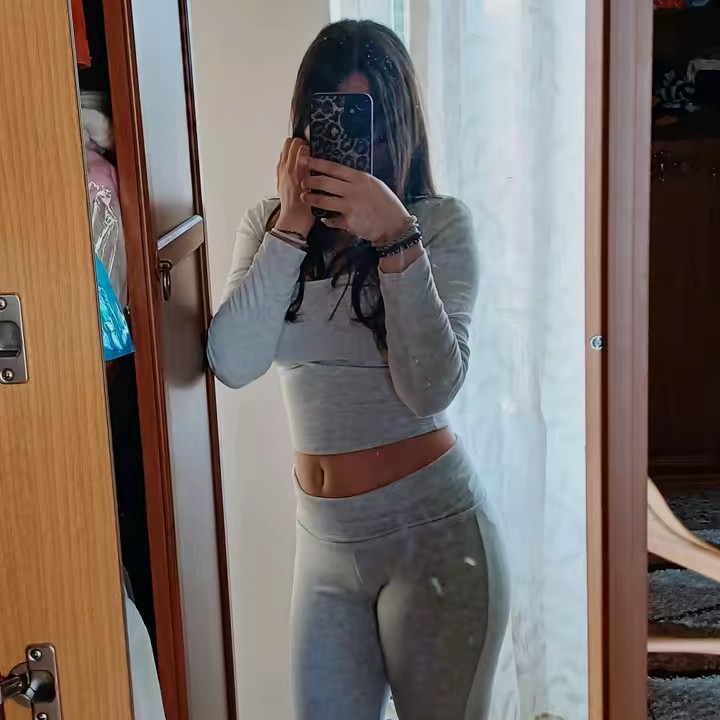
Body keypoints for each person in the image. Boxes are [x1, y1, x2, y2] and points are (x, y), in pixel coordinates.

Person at [208, 19, 510, 720]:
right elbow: (233, 362)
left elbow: (430, 389)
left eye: (366, 124)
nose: (351, 150)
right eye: (329, 122)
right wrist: (291, 227)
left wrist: (396, 239)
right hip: (323, 545)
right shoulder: (269, 224)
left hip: (433, 534)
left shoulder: (438, 225)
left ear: (397, 126)